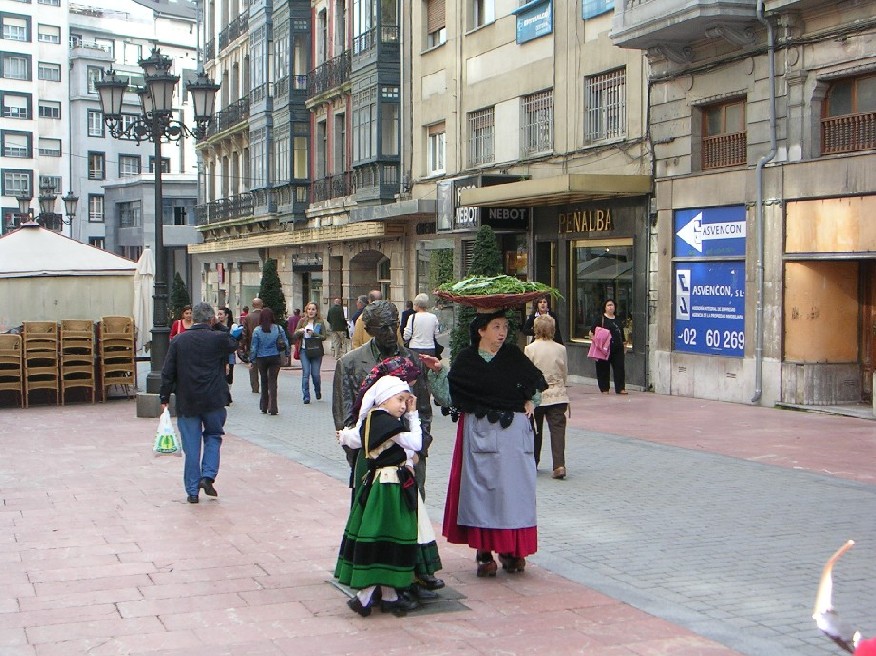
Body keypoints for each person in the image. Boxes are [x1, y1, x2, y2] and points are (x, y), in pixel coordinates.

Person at [421, 308, 547, 578]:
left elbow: (534, 385)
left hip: (513, 434)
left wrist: (530, 400)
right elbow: (450, 397)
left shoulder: (513, 356)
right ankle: (484, 551)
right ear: (481, 330)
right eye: (496, 327)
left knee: (513, 493)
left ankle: (512, 550)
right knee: (483, 492)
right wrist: (438, 372)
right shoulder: (467, 360)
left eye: (504, 327)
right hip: (479, 432)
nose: (502, 333)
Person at [342, 355, 446, 598]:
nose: (404, 404)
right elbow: (353, 420)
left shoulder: (410, 365)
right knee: (389, 529)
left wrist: (415, 454)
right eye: (400, 399)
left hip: (398, 475)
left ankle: (403, 583)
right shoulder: (381, 416)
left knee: (405, 526)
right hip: (385, 479)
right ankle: (381, 589)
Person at [334, 376, 422, 617]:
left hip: (382, 484)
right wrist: (414, 417)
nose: (404, 405)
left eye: (406, 401)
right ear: (384, 399)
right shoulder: (385, 422)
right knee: (388, 535)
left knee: (385, 535)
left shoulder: (375, 420)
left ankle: (389, 596)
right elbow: (415, 442)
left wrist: (343, 436)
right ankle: (364, 598)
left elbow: (355, 438)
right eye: (400, 400)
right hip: (388, 486)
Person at [334, 301, 434, 495]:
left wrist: (418, 452)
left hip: (409, 458)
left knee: (411, 517)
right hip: (371, 461)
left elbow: (424, 411)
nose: (390, 333)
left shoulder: (413, 361)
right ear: (369, 330)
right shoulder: (349, 364)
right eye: (383, 328)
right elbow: (344, 417)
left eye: (394, 325)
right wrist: (362, 455)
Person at [159, 302, 242, 503]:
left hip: (188, 400)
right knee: (214, 435)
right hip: (214, 399)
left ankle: (192, 491)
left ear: (193, 318)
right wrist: (218, 326)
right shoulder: (218, 338)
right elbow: (234, 342)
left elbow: (167, 372)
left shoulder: (179, 341)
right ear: (211, 319)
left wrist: (164, 397)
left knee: (191, 446)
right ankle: (208, 476)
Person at [524, 314, 569, 479]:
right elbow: (564, 373)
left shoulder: (530, 349)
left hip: (537, 396)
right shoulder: (560, 348)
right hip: (558, 395)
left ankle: (533, 462)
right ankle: (559, 465)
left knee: (535, 430)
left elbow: (527, 374)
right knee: (557, 431)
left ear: (536, 329)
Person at [248, 306, 288, 415]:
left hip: (261, 358)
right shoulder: (278, 329)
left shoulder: (257, 330)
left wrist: (252, 360)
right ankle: (273, 407)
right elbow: (285, 343)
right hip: (275, 357)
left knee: (264, 381)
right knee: (273, 382)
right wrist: (287, 355)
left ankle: (264, 406)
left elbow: (254, 347)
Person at [293, 301, 326, 404]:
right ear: (306, 310)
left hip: (316, 351)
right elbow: (294, 335)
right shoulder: (302, 321)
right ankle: (306, 396)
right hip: (304, 350)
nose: (311, 311)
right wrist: (299, 332)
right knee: (306, 373)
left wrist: (314, 333)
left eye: (313, 309)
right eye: (309, 309)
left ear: (316, 311)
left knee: (315, 374)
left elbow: (324, 337)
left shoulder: (320, 322)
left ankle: (317, 391)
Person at [591, 299, 627, 395]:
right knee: (603, 368)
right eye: (608, 305)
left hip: (617, 347)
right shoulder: (600, 319)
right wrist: (597, 343)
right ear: (605, 308)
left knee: (619, 367)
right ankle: (604, 388)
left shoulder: (618, 319)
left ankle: (620, 388)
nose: (611, 307)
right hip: (604, 349)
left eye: (612, 305)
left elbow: (621, 333)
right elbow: (591, 333)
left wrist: (624, 345)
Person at [241, 298, 264, 394]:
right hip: (265, 346)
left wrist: (243, 346)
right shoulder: (266, 315)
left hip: (251, 345)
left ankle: (255, 387)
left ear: (253, 305)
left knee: (253, 368)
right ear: (262, 304)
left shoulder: (248, 317)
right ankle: (265, 386)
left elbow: (244, 333)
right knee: (264, 367)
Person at [214, 306, 236, 388]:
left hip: (229, 353)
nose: (219, 316)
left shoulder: (233, 326)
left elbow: (235, 340)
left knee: (229, 374)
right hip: (218, 353)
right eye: (218, 314)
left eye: (221, 314)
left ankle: (228, 391)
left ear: (227, 315)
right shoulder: (215, 326)